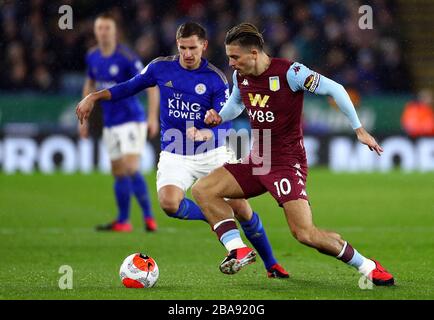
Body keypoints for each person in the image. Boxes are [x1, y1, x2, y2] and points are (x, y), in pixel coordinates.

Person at [76, 22, 289, 278]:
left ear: (204, 46)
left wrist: (205, 132)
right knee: (169, 204)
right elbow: (129, 86)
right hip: (175, 152)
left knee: (242, 209)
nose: (187, 54)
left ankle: (271, 263)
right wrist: (94, 97)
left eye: (193, 48)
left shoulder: (215, 79)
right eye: (182, 48)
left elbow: (226, 124)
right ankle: (216, 217)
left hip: (213, 152)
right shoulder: (160, 67)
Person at [190, 23, 394, 286]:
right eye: (229, 57)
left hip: (286, 163)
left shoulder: (291, 72)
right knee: (203, 190)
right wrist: (219, 116)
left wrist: (359, 129)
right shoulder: (242, 77)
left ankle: (367, 266)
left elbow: (336, 89)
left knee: (305, 234)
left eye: (235, 57)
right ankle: (238, 249)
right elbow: (236, 104)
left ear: (253, 53)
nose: (230, 63)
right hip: (257, 159)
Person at [79, 13, 159, 232]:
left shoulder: (126, 56)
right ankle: (123, 221)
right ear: (95, 31)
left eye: (107, 28)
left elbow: (151, 86)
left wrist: (152, 117)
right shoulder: (92, 56)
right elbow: (89, 85)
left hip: (132, 120)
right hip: (110, 123)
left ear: (114, 32)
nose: (103, 32)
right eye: (100, 28)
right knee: (118, 171)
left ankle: (149, 218)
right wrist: (84, 119)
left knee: (132, 167)